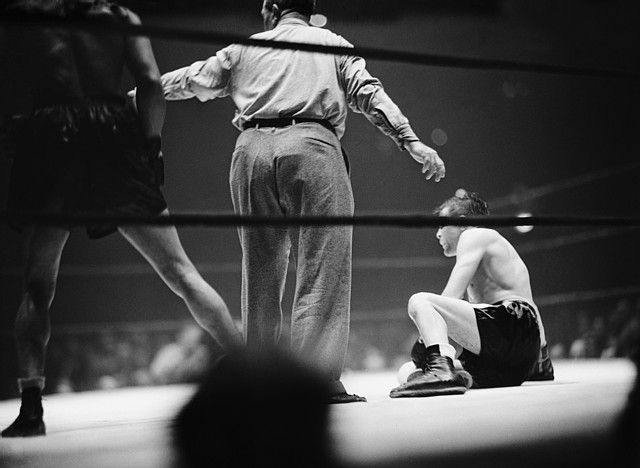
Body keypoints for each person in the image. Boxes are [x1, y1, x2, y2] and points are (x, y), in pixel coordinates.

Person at [155, 0, 445, 403]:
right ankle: (316, 382)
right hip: (312, 146)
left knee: (259, 271)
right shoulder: (330, 43)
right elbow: (368, 93)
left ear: (271, 7)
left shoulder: (245, 48)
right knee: (322, 267)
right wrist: (409, 140)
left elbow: (194, 79)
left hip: (250, 151)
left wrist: (138, 92)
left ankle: (259, 381)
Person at [0, 0, 242, 437]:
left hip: (53, 135)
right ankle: (253, 376)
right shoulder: (117, 18)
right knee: (180, 271)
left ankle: (31, 406)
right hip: (111, 134)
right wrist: (150, 147)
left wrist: (26, 126)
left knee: (37, 285)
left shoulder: (28, 16)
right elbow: (149, 82)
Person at [390, 190, 553, 398]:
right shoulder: (488, 261)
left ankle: (441, 371)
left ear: (463, 222)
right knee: (406, 372)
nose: (438, 234)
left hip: (511, 328)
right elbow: (530, 312)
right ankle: (456, 375)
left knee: (420, 301)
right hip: (510, 361)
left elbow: (452, 297)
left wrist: (424, 340)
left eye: (442, 225)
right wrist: (541, 362)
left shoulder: (475, 234)